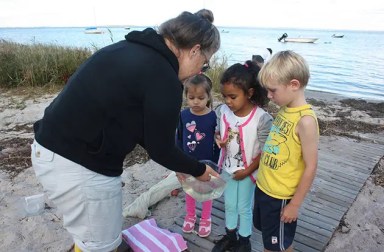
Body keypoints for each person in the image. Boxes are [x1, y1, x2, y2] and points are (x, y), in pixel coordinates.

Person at [31, 9, 220, 252]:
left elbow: (140, 127)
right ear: (194, 49)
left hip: (49, 150)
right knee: (101, 246)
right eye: (204, 63)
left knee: (90, 239)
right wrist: (199, 169)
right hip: (80, 166)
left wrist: (180, 166)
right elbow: (160, 148)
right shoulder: (163, 77)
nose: (200, 71)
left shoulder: (127, 50)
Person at [253, 50, 319, 252]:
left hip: (280, 197)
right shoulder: (285, 108)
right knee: (274, 241)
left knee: (276, 246)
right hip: (264, 187)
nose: (269, 96)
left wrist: (295, 205)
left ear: (294, 85)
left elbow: (311, 166)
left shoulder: (306, 121)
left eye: (273, 91)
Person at [212, 61, 273, 252]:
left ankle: (244, 240)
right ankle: (230, 236)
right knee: (229, 204)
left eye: (233, 97)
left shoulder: (261, 118)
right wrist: (218, 139)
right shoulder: (222, 112)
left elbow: (266, 152)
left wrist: (247, 171)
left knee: (244, 207)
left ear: (249, 93)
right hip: (227, 169)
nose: (228, 101)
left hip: (248, 172)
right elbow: (217, 131)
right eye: (224, 96)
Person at [175, 74, 220, 238]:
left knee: (207, 192)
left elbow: (218, 144)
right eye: (191, 97)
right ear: (186, 96)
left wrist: (216, 165)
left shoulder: (213, 117)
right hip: (187, 162)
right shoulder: (183, 115)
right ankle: (190, 215)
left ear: (208, 96)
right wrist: (177, 164)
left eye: (201, 98)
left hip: (207, 164)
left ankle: (206, 218)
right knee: (189, 190)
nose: (196, 101)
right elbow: (179, 139)